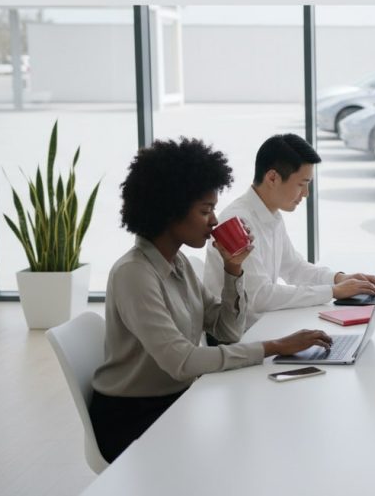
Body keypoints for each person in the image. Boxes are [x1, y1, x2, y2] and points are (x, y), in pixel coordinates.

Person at [90, 138, 333, 462]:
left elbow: (228, 331)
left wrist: (234, 270)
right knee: (249, 448)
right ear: (169, 211)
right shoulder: (134, 274)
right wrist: (274, 346)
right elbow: (183, 361)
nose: (215, 221)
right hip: (134, 418)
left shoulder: (179, 265)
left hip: (177, 400)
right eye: (205, 210)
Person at [204, 134, 375, 330]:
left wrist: (339, 279)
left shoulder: (271, 214)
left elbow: (294, 267)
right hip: (241, 338)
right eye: (301, 184)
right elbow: (260, 297)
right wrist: (332, 291)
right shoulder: (237, 221)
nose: (306, 194)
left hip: (264, 326)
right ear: (272, 177)